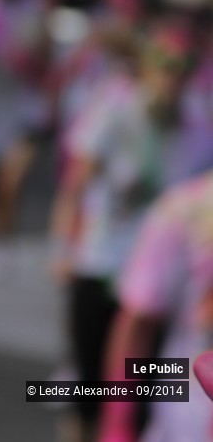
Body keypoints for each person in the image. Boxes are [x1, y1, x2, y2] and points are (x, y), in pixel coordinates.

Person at [49, 19, 213, 442]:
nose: (173, 75)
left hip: (160, 285)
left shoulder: (199, 125)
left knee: (148, 386)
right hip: (103, 264)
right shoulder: (117, 108)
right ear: (147, 64)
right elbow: (76, 184)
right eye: (164, 63)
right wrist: (63, 248)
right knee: (90, 382)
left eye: (184, 65)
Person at [98, 170, 213, 441]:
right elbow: (137, 322)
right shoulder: (186, 209)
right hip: (187, 418)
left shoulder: (185, 205)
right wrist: (118, 424)